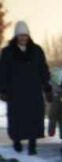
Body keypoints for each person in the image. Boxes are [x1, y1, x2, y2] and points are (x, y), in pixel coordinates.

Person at [0, 21, 51, 155]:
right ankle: (17, 142)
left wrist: (47, 86)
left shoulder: (36, 50)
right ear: (16, 36)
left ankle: (32, 145)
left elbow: (43, 69)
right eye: (20, 35)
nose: (23, 38)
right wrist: (3, 89)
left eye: (25, 35)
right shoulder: (8, 52)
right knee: (17, 118)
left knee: (34, 117)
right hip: (15, 91)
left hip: (33, 90)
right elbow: (3, 71)